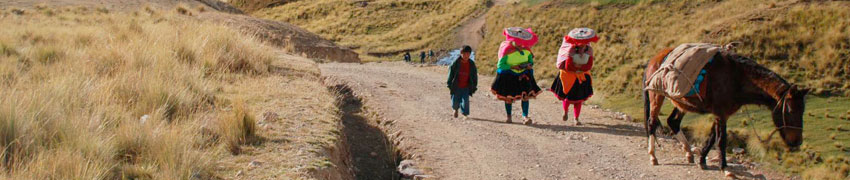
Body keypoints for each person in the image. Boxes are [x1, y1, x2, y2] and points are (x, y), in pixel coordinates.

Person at [490, 27, 541, 125]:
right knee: (509, 97)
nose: (522, 45)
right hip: (509, 75)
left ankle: (525, 117)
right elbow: (500, 65)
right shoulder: (507, 49)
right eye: (520, 43)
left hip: (524, 74)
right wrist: (513, 66)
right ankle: (509, 117)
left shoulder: (527, 50)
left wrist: (529, 65)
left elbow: (531, 61)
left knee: (525, 96)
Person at [550, 28, 599, 126]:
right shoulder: (571, 49)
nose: (583, 45)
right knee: (567, 98)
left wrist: (580, 68)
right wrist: (576, 68)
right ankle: (565, 111)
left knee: (579, 100)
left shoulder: (589, 50)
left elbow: (589, 65)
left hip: (581, 77)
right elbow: (568, 65)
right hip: (569, 76)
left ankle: (576, 118)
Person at [447, 46, 478, 120]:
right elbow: (451, 73)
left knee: (465, 100)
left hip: (466, 86)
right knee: (455, 100)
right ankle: (455, 109)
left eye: (468, 54)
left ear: (470, 54)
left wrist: (474, 85)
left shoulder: (471, 64)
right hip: (456, 85)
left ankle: (465, 113)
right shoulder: (456, 63)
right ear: (461, 54)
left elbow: (474, 75)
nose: (466, 56)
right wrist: (449, 83)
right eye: (464, 54)